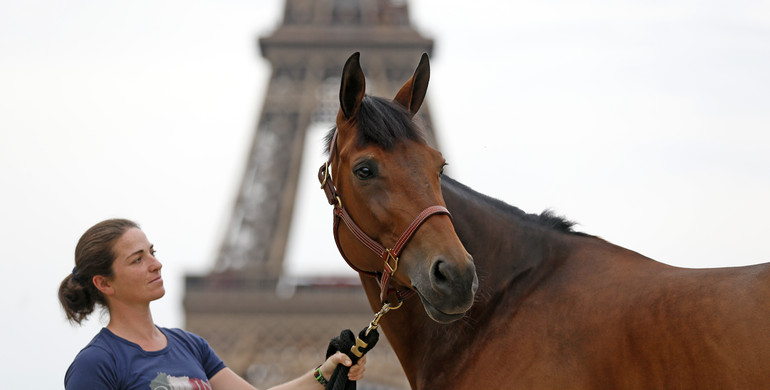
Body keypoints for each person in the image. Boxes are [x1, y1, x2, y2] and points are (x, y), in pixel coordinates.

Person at [59, 218, 366, 390]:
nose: (156, 264)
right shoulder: (96, 364)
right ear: (104, 283)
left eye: (152, 252)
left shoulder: (189, 345)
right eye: (138, 259)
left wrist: (324, 372)